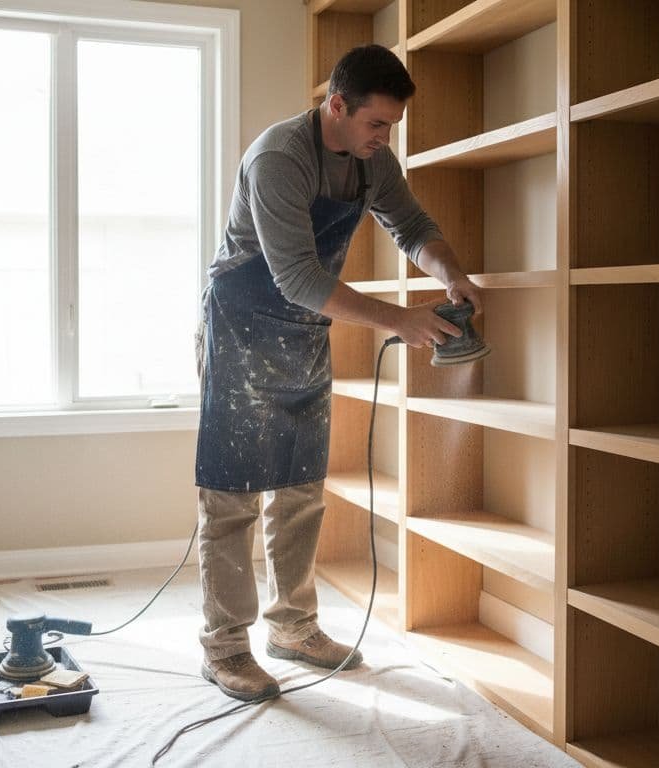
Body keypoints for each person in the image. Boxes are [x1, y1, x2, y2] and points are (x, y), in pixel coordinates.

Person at [194, 44, 483, 702]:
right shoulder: (280, 158)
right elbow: (296, 275)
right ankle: (225, 648)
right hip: (239, 330)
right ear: (338, 106)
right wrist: (400, 321)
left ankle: (292, 628)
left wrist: (450, 273)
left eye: (392, 128)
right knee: (233, 499)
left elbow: (410, 224)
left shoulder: (369, 160)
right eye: (376, 124)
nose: (385, 140)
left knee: (299, 492)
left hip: (301, 333)